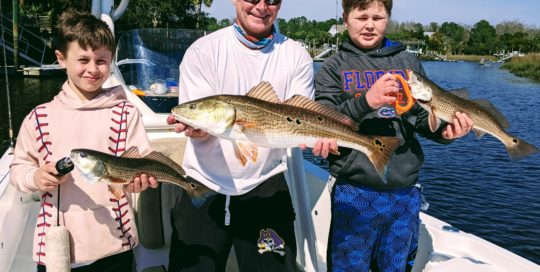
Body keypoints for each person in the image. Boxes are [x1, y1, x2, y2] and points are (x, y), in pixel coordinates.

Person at [314, 0, 474, 271]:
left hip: (404, 192)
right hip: (355, 189)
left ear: (388, 18)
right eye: (361, 16)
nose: (369, 24)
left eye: (378, 17)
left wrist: (448, 133)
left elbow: (423, 120)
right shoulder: (333, 66)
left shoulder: (408, 63)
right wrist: (367, 101)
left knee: (395, 267)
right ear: (345, 17)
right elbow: (323, 121)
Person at [165, 0, 315, 271]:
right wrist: (197, 131)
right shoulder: (203, 51)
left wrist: (322, 137)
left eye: (271, 0)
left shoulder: (296, 55)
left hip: (266, 186)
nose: (261, 6)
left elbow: (301, 119)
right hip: (203, 185)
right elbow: (201, 118)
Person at [10, 10, 157, 272]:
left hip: (116, 242)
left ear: (111, 61)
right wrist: (37, 177)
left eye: (101, 60)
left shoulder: (127, 113)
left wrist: (138, 184)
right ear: (61, 59)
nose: (92, 68)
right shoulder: (38, 118)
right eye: (83, 59)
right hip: (57, 247)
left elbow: (141, 168)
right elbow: (19, 170)